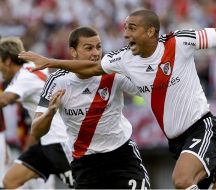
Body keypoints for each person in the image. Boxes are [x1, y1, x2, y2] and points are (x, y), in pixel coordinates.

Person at [19, 9, 216, 189]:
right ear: (73, 51)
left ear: (150, 31)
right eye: (125, 28)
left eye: (132, 29)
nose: (125, 34)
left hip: (196, 129)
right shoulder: (122, 60)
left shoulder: (179, 42)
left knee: (182, 181)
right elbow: (92, 68)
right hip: (168, 144)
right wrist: (51, 66)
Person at [30, 26, 150, 189]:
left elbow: (148, 91)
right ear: (73, 52)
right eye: (89, 48)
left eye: (98, 47)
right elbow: (36, 131)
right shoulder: (57, 81)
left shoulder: (113, 73)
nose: (95, 53)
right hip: (86, 165)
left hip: (122, 158)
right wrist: (50, 113)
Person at [0, 37, 74, 189]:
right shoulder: (31, 67)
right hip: (45, 142)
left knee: (85, 184)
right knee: (10, 181)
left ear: (7, 61)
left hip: (59, 141)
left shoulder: (24, 77)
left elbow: (4, 100)